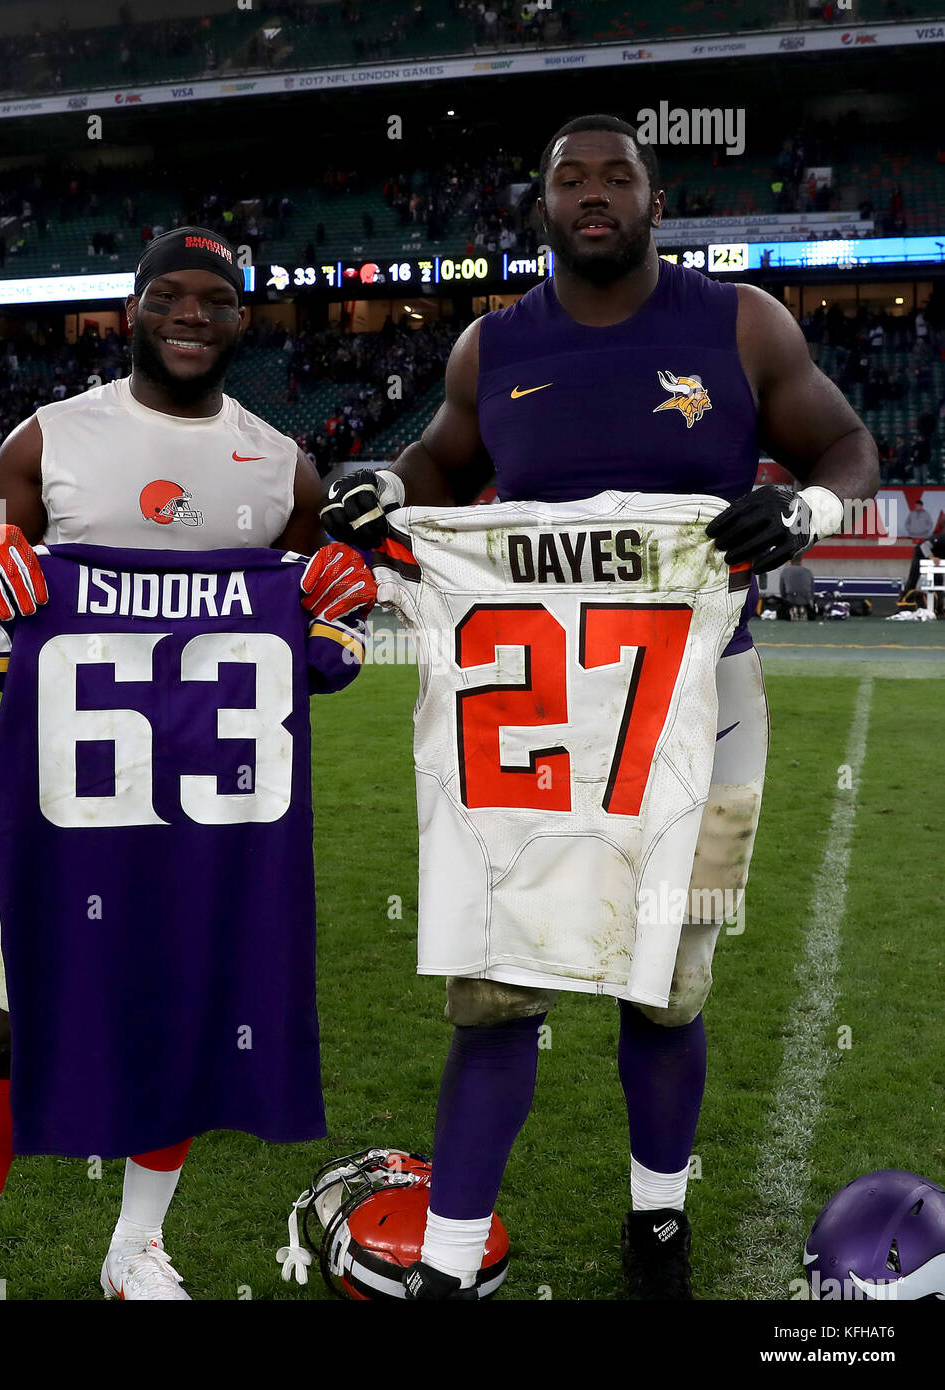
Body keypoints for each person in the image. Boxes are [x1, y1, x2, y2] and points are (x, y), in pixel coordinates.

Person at [321, 115, 878, 1301]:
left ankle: (656, 1229)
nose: (591, 193)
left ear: (652, 200)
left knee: (667, 994)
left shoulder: (739, 323)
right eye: (566, 176)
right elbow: (433, 469)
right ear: (540, 204)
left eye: (614, 175)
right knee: (491, 995)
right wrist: (382, 486)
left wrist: (810, 514)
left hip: (704, 712)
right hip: (526, 729)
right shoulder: (489, 346)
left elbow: (842, 443)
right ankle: (451, 1256)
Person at [0, 227, 375, 1301]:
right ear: (131, 309)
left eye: (216, 298)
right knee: (6, 1024)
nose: (192, 314)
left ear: (243, 320)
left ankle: (135, 1247)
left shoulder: (279, 462)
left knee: (186, 1012)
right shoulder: (51, 437)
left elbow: (314, 637)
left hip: (215, 801)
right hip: (68, 790)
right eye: (169, 294)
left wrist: (345, 610)